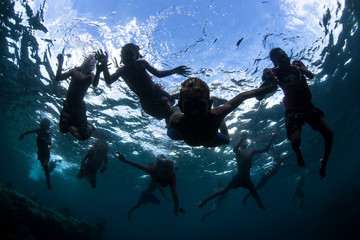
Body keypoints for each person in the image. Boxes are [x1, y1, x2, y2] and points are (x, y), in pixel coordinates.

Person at [257, 48, 333, 178]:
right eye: (279, 58)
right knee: (296, 140)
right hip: (293, 110)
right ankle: (298, 152)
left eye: (284, 55)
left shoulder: (297, 65)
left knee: (329, 134)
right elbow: (261, 94)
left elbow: (311, 75)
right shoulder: (274, 72)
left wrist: (301, 70)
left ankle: (324, 161)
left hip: (308, 106)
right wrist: (268, 79)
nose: (284, 58)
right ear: (275, 63)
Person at [168, 77, 276, 147]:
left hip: (208, 138)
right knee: (170, 132)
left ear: (209, 105)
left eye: (200, 105)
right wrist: (171, 106)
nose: (195, 112)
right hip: (186, 134)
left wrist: (266, 89)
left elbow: (244, 95)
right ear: (182, 106)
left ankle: (220, 119)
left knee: (227, 140)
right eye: (188, 105)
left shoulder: (216, 114)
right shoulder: (176, 121)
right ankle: (179, 102)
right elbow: (175, 110)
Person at [96, 44, 191, 122]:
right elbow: (108, 81)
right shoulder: (122, 70)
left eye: (130, 55)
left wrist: (174, 70)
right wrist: (104, 66)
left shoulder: (142, 63)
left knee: (170, 102)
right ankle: (173, 119)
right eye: (124, 55)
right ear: (121, 57)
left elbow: (159, 74)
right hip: (148, 103)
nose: (127, 58)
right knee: (165, 111)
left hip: (158, 93)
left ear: (137, 56)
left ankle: (178, 104)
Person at [198, 133, 276, 211]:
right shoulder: (238, 151)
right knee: (223, 191)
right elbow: (234, 149)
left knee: (254, 193)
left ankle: (260, 204)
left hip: (247, 179)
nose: (245, 141)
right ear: (241, 143)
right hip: (238, 178)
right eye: (243, 141)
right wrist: (242, 138)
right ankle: (204, 201)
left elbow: (266, 149)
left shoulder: (252, 151)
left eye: (246, 140)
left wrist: (272, 138)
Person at [116, 152, 184, 220]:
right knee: (142, 203)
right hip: (151, 184)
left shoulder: (171, 176)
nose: (165, 176)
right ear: (158, 170)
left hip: (157, 180)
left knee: (158, 199)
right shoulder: (153, 171)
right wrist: (125, 160)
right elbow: (139, 166)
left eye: (167, 173)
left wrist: (176, 207)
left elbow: (174, 193)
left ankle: (174, 163)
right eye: (163, 173)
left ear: (171, 171)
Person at [55, 53, 102, 141]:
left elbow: (95, 84)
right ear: (84, 61)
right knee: (63, 129)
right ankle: (77, 124)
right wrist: (61, 62)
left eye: (92, 62)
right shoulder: (74, 71)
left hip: (78, 107)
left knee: (84, 136)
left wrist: (98, 71)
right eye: (88, 60)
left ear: (94, 66)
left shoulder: (91, 76)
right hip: (68, 105)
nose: (89, 62)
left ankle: (90, 126)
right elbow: (58, 78)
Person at [19, 118, 52, 190]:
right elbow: (28, 131)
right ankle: (48, 176)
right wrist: (23, 134)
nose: (41, 128)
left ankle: (48, 183)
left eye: (43, 126)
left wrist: (46, 141)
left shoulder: (47, 135)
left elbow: (50, 145)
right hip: (40, 153)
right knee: (44, 167)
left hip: (46, 153)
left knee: (45, 166)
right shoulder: (38, 130)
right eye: (41, 126)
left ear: (46, 127)